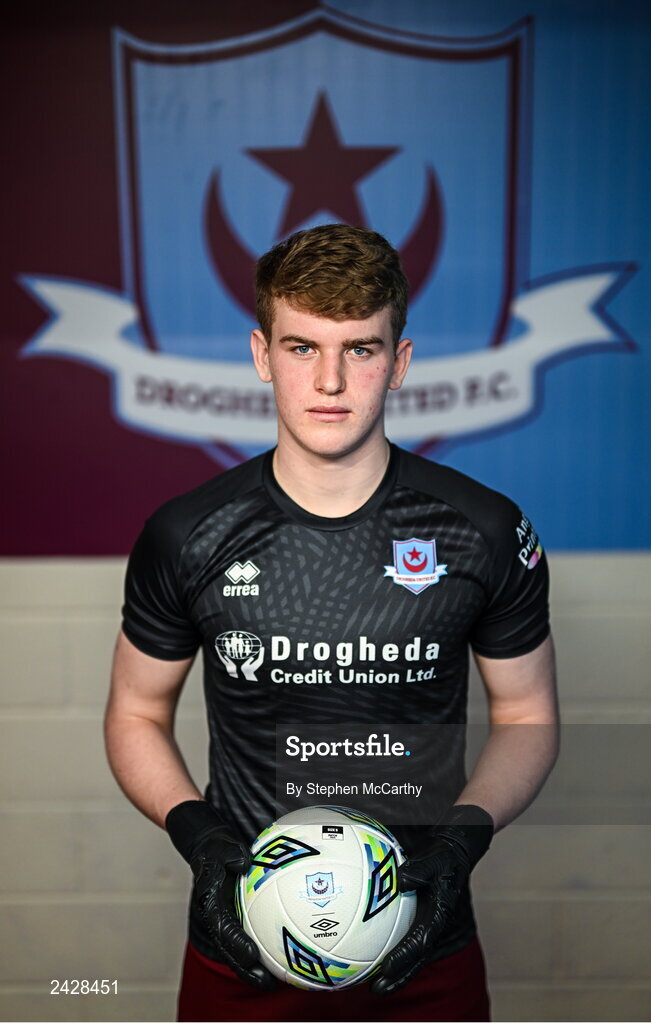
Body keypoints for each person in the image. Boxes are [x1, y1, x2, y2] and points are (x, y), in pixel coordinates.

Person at [105, 224, 559, 1022]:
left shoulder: (481, 528)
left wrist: (462, 842)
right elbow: (136, 713)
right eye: (300, 347)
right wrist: (199, 838)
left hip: (424, 937)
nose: (329, 381)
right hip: (243, 946)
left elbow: (526, 716)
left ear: (400, 362)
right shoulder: (188, 532)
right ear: (260, 354)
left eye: (359, 349)